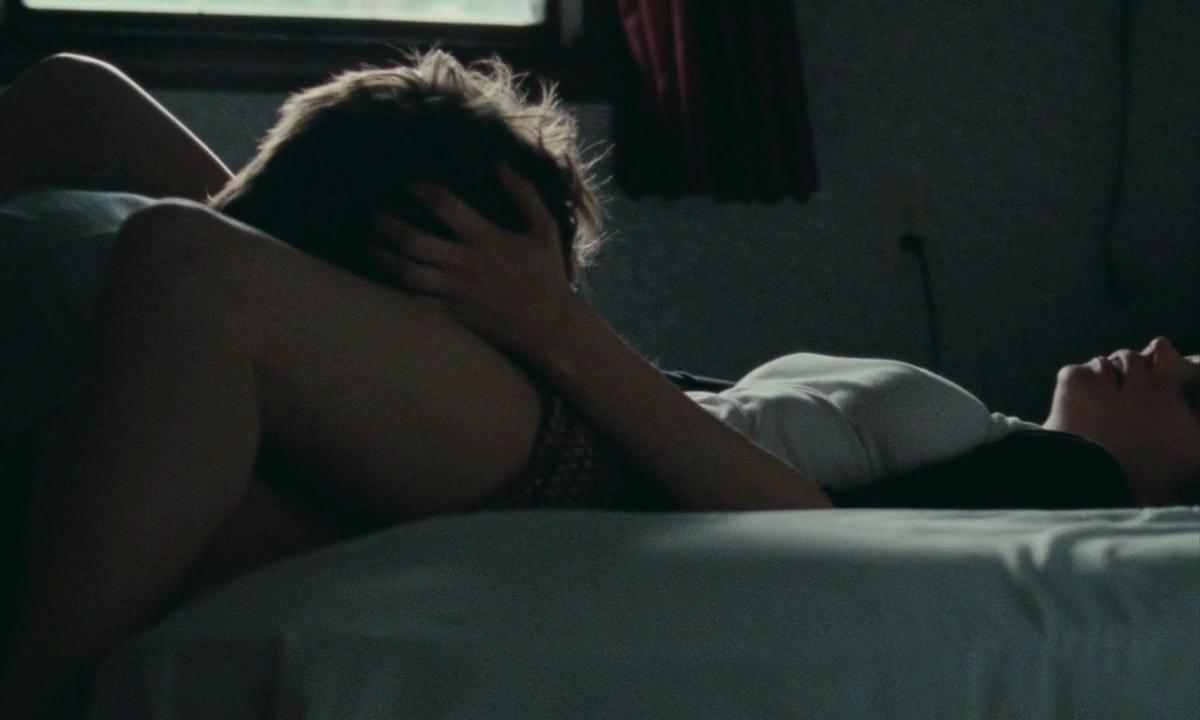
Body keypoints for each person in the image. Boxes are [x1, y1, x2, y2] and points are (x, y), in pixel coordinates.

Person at [0, 51, 1197, 719]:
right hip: (545, 384)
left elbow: (811, 528)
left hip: (577, 443)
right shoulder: (997, 429)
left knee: (189, 266)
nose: (1158, 351)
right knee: (79, 99)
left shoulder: (1072, 486)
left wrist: (553, 327)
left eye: (1194, 393)